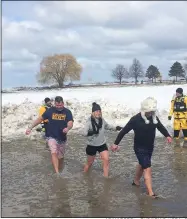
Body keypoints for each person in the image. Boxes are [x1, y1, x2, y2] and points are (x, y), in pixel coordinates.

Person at [111, 97, 172, 198]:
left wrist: (167, 136)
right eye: (149, 111)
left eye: (152, 111)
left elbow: (160, 127)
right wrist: (116, 143)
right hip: (139, 148)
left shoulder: (154, 118)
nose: (150, 113)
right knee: (147, 168)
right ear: (144, 109)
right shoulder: (135, 119)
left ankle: (135, 181)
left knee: (142, 164)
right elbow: (124, 131)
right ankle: (150, 193)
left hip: (150, 147)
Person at [26, 96, 74, 176]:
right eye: (57, 105)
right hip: (51, 136)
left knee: (61, 157)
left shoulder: (67, 112)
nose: (59, 107)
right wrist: (30, 127)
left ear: (63, 103)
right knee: (53, 152)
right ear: (54, 104)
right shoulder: (50, 111)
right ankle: (57, 172)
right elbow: (40, 119)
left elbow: (70, 122)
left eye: (60, 105)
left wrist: (68, 128)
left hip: (62, 137)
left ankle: (60, 168)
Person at [82, 102, 122, 178]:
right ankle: (84, 174)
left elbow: (108, 126)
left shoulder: (102, 120)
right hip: (92, 145)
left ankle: (106, 178)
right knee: (89, 163)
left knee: (106, 160)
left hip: (102, 144)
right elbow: (84, 133)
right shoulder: (89, 122)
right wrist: (92, 132)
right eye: (96, 111)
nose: (98, 113)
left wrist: (116, 128)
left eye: (99, 111)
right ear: (93, 112)